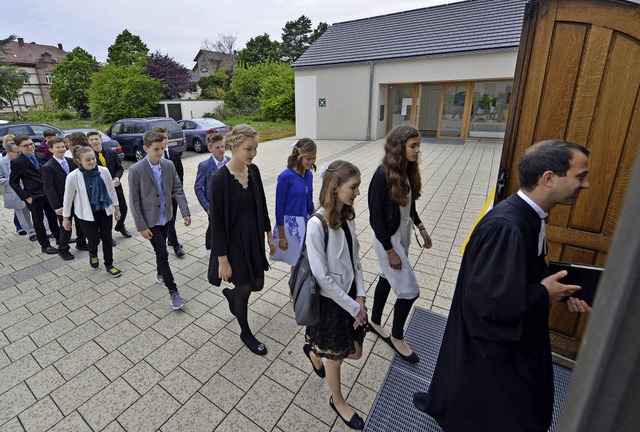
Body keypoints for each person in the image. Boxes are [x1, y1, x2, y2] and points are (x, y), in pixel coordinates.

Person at [413, 140, 592, 432]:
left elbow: (519, 272)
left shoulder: (529, 217)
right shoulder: (506, 227)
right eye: (580, 176)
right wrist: (543, 293)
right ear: (548, 178)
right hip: (492, 353)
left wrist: (561, 287)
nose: (586, 185)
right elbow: (489, 304)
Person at [304, 160, 367, 430]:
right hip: (332, 303)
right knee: (338, 358)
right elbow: (322, 277)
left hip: (352, 298)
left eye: (357, 187)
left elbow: (356, 261)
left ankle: (315, 354)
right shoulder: (316, 225)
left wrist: (361, 297)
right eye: (353, 187)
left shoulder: (348, 217)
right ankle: (338, 400)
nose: (356, 193)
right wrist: (354, 307)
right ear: (335, 187)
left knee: (356, 352)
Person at [208, 124, 276, 355]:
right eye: (248, 149)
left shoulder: (253, 170)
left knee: (257, 284)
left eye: (255, 148)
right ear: (234, 147)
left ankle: (232, 295)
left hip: (254, 237)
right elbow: (216, 224)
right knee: (245, 287)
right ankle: (245, 332)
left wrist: (269, 234)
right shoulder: (219, 180)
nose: (253, 153)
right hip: (233, 243)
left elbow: (262, 204)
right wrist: (222, 260)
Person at [368, 125, 432, 363]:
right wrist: (389, 250)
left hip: (401, 233)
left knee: (385, 277)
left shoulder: (405, 171)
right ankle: (397, 337)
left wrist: (421, 227)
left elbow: (408, 205)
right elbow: (375, 218)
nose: (417, 151)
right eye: (412, 146)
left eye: (418, 146)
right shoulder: (381, 176)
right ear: (399, 147)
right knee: (409, 292)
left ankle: (374, 322)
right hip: (388, 239)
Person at [129, 130, 191, 310]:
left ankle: (159, 273)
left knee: (161, 250)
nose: (160, 152)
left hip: (167, 217)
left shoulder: (169, 165)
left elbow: (177, 189)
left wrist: (185, 212)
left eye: (162, 148)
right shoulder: (135, 170)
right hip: (150, 221)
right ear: (145, 148)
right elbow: (134, 200)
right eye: (156, 149)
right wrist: (141, 226)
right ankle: (174, 292)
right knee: (163, 253)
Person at [62, 146, 122, 277]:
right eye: (88, 160)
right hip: (85, 214)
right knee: (94, 239)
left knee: (107, 238)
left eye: (93, 158)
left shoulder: (104, 171)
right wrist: (66, 218)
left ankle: (109, 264)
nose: (92, 162)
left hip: (104, 211)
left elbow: (111, 191)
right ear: (78, 161)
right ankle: (93, 252)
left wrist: (117, 209)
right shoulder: (73, 176)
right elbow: (68, 198)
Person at [9, 135, 60, 254]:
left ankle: (59, 239)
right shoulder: (17, 162)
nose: (30, 147)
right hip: (33, 196)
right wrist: (26, 196)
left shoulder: (40, 156)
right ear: (19, 147)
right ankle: (45, 245)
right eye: (26, 145)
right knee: (38, 221)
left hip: (47, 193)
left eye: (31, 144)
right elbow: (13, 182)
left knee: (53, 217)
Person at [270, 138, 317, 269]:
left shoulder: (309, 175)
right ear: (298, 155)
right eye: (308, 158)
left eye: (313, 158)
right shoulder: (286, 176)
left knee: (304, 263)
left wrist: (316, 222)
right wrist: (281, 237)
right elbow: (279, 208)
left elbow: (310, 202)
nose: (311, 162)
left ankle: (297, 289)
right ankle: (295, 289)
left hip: (306, 223)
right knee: (296, 264)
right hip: (290, 226)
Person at [41, 137, 81, 261]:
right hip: (62, 203)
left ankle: (81, 242)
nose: (61, 149)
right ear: (51, 149)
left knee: (80, 223)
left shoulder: (71, 161)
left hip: (76, 199)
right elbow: (49, 189)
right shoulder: (48, 167)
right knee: (66, 227)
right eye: (58, 147)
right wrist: (57, 207)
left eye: (63, 146)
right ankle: (63, 249)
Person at [87, 130, 132, 239]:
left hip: (115, 186)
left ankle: (120, 226)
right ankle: (107, 235)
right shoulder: (90, 158)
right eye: (91, 140)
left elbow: (120, 168)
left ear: (101, 140)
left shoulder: (111, 153)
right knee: (106, 213)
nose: (94, 141)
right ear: (88, 142)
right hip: (101, 189)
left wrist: (117, 177)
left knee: (123, 208)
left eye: (96, 139)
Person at [151, 126, 186, 257]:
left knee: (172, 218)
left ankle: (171, 239)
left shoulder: (174, 154)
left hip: (172, 194)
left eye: (165, 137)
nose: (164, 140)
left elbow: (180, 174)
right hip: (159, 197)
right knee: (168, 220)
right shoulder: (151, 156)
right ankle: (175, 244)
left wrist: (176, 191)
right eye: (161, 138)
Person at [194, 133, 230, 256]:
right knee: (214, 226)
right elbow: (198, 187)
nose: (221, 150)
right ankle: (210, 247)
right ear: (210, 148)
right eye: (217, 147)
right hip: (213, 205)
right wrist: (207, 207)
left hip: (229, 203)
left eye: (223, 146)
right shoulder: (204, 166)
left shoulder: (230, 162)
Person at [0, 141, 36, 239]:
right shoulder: (1, 162)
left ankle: (46, 230)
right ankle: (31, 232)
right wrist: (13, 180)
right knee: (23, 214)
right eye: (16, 152)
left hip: (30, 189)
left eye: (20, 152)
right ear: (8, 151)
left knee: (38, 211)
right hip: (14, 192)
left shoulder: (24, 159)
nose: (19, 154)